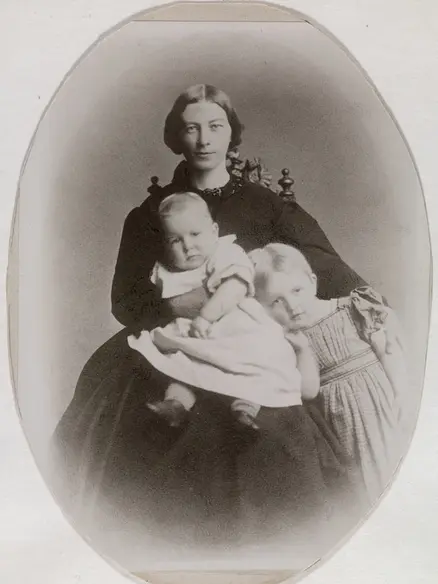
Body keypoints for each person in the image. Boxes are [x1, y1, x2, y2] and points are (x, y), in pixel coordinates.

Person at [51, 83, 378, 559]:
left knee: (276, 436)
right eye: (191, 128)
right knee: (146, 434)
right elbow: (125, 301)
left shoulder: (267, 205)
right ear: (176, 137)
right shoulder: (150, 213)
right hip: (175, 337)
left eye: (215, 126)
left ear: (231, 134)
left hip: (250, 340)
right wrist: (184, 306)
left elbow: (322, 265)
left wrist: (370, 306)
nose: (204, 139)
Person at [128, 191, 319, 431]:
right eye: (175, 240)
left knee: (256, 365)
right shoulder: (166, 269)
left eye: (195, 234)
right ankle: (176, 404)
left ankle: (246, 411)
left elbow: (235, 287)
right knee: (183, 366)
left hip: (237, 328)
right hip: (197, 335)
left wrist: (205, 316)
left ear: (214, 231)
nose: (188, 246)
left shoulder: (225, 253)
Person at [252, 243, 406, 503]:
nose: (292, 305)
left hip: (378, 405)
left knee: (392, 468)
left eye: (297, 290)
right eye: (276, 301)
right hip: (335, 420)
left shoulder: (351, 308)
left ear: (312, 282)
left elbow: (387, 350)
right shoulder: (287, 340)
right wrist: (301, 349)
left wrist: (400, 391)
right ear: (262, 307)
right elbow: (308, 390)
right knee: (359, 486)